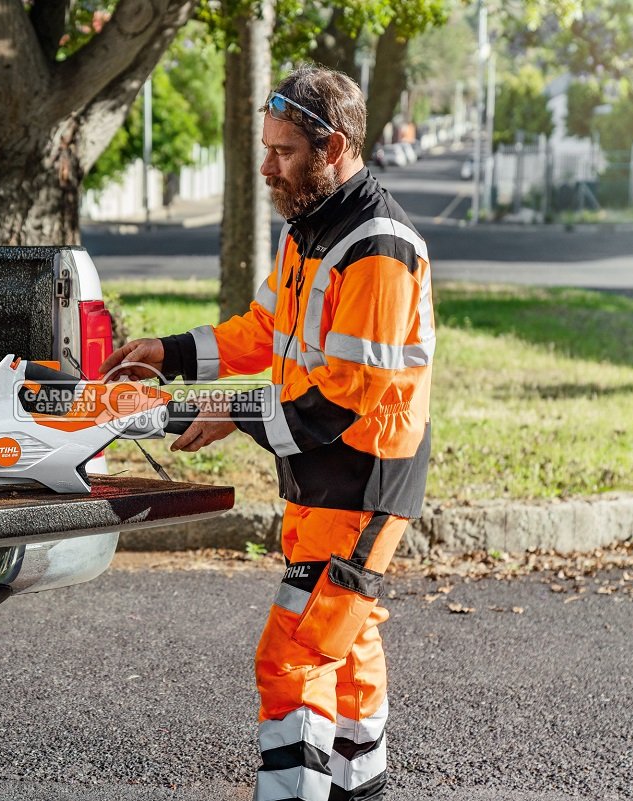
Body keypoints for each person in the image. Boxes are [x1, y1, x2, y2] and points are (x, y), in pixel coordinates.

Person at [100, 66, 434, 801]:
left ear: (333, 146)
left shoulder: (379, 247)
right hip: (326, 474)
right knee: (346, 640)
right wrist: (171, 352)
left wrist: (233, 413)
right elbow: (263, 331)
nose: (265, 166)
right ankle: (358, 786)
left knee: (294, 650)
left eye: (282, 151)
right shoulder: (310, 229)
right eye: (265, 147)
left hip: (362, 475)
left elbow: (346, 396)